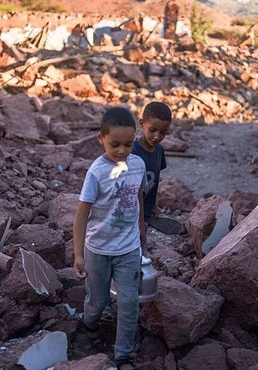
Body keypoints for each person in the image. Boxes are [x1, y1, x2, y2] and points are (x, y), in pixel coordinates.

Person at [72, 106, 146, 370]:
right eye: (115, 144)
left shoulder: (137, 164)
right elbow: (82, 215)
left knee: (128, 300)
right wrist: (79, 253)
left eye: (128, 144)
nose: (122, 151)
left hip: (127, 248)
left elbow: (137, 193)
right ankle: (89, 323)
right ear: (101, 139)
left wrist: (140, 224)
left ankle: (124, 354)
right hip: (99, 249)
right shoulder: (96, 172)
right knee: (98, 300)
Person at [131, 101, 172, 225]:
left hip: (146, 211)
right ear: (142, 124)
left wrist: (153, 204)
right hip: (130, 212)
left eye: (163, 132)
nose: (157, 136)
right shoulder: (132, 153)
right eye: (152, 130)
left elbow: (154, 182)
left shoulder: (159, 151)